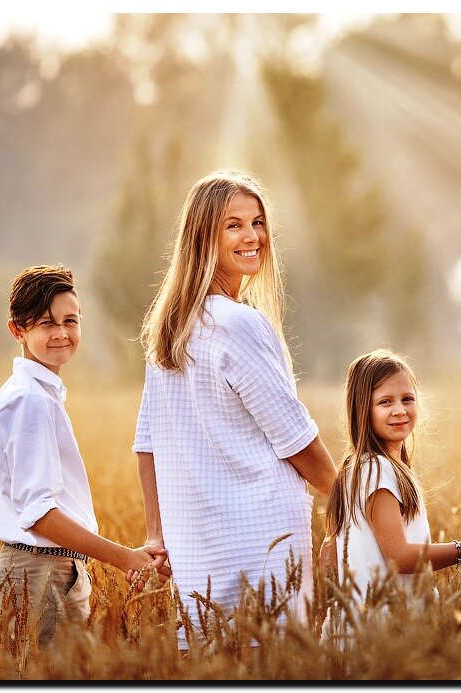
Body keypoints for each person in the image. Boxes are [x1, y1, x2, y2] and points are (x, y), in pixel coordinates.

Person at [134, 171, 338, 650]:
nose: (252, 237)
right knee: (274, 663)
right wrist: (352, 499)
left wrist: (156, 534)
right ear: (203, 235)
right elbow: (294, 437)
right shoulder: (239, 323)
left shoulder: (168, 331)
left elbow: (147, 445)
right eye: (233, 225)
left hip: (197, 551)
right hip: (260, 543)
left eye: (258, 222)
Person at [0, 265, 170, 649]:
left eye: (71, 320)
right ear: (17, 330)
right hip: (38, 570)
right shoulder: (29, 399)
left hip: (52, 567)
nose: (62, 333)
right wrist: (124, 558)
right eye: (47, 323)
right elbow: (39, 513)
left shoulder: (40, 393)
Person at [321, 349, 461, 604]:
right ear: (361, 409)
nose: (399, 410)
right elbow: (400, 558)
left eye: (407, 398)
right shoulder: (377, 472)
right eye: (385, 402)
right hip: (388, 626)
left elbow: (328, 556)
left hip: (364, 622)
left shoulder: (355, 470)